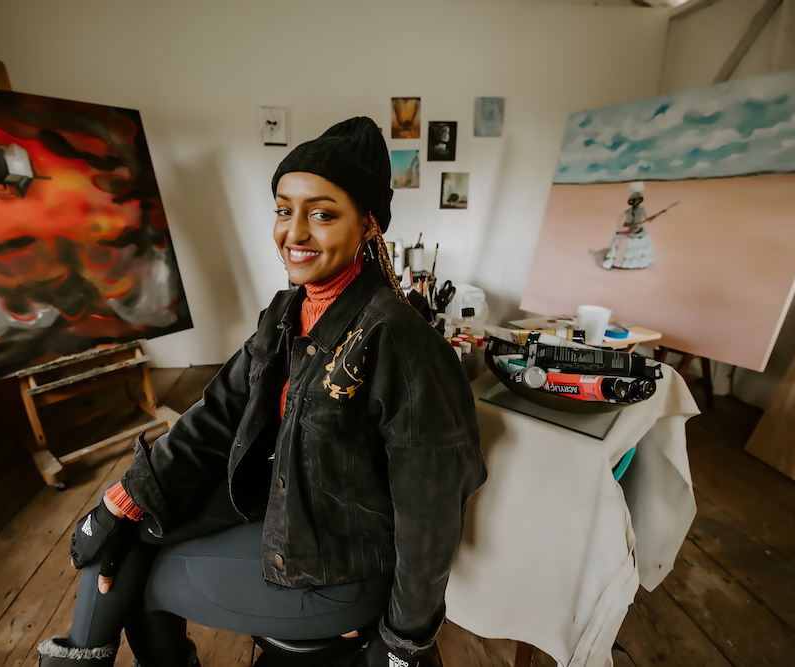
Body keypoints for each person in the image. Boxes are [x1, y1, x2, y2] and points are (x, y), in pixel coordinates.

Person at [38, 117, 486, 667]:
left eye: (322, 214)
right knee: (125, 533)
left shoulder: (399, 341)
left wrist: (404, 643)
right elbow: (214, 416)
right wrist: (122, 499)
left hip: (341, 566)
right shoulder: (284, 313)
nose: (294, 233)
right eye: (283, 209)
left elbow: (429, 512)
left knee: (139, 580)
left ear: (369, 225)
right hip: (283, 509)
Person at [602, 182, 654, 270]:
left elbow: (649, 219)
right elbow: (620, 226)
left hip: (639, 231)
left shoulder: (642, 210)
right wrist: (629, 228)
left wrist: (657, 215)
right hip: (627, 231)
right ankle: (617, 262)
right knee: (622, 243)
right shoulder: (626, 213)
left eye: (637, 201)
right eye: (634, 201)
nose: (636, 203)